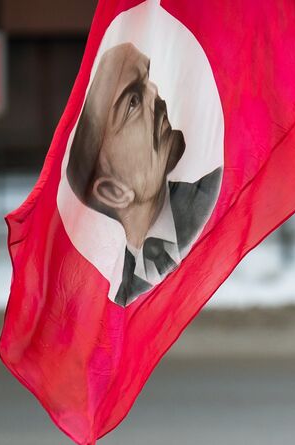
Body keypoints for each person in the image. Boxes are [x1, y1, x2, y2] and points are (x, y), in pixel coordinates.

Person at [65, 42, 221, 306]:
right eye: (132, 102)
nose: (156, 92)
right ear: (113, 191)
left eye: (147, 80)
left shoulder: (218, 198)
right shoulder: (120, 289)